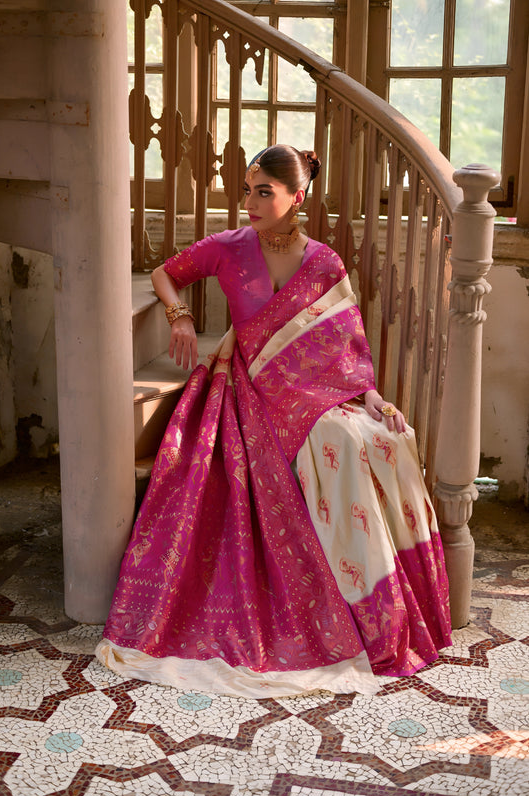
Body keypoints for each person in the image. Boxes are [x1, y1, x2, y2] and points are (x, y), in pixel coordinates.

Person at [96, 144, 451, 697]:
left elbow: (345, 349)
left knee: (377, 437)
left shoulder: (325, 263)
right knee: (338, 437)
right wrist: (180, 316)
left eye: (264, 191)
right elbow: (166, 274)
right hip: (250, 388)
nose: (251, 201)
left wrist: (373, 397)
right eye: (247, 189)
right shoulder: (228, 248)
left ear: (296, 198)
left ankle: (379, 607)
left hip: (313, 389)